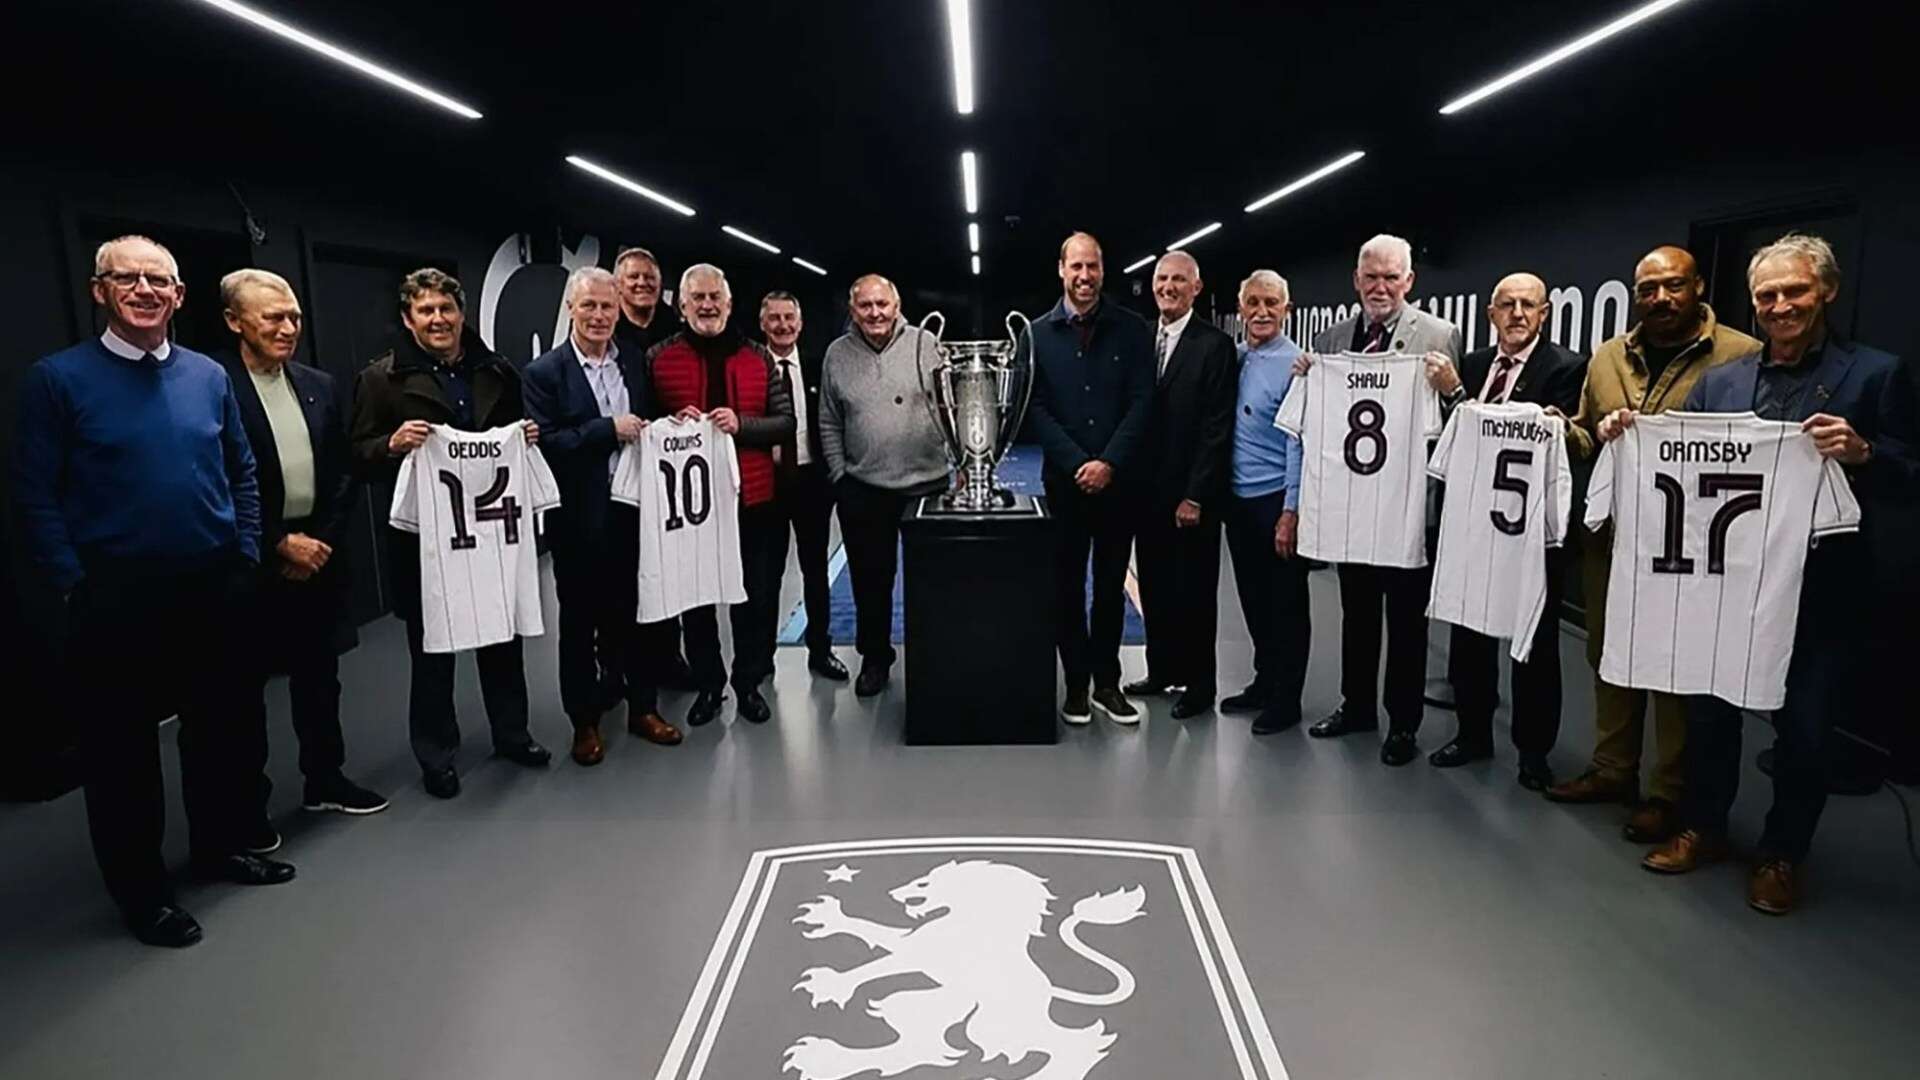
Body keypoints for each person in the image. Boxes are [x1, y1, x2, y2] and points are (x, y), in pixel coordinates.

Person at [13, 235, 291, 948]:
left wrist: (246, 554)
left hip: (211, 583)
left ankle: (218, 847)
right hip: (115, 595)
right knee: (121, 755)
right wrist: (74, 581)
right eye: (127, 278)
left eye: (159, 280)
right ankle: (142, 893)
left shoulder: (207, 376)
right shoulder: (57, 379)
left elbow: (242, 473)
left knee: (219, 732)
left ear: (179, 296)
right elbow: (35, 495)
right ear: (98, 289)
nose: (144, 290)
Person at [1637, 234, 1917, 914]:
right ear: (1753, 303)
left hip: (1821, 590)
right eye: (1767, 295)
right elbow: (1681, 454)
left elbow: (1911, 473)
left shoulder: (1876, 375)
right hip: (1727, 582)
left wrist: (1865, 451)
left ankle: (1782, 853)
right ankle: (1704, 827)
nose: (1781, 305)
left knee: (1807, 731)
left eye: (1795, 291)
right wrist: (1630, 434)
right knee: (1710, 718)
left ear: (1826, 290)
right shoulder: (1725, 380)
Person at [1545, 245, 1760, 842]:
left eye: (1674, 285)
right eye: (1648, 289)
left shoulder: (1742, 356)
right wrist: (1574, 431)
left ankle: (1670, 793)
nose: (1661, 298)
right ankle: (1613, 771)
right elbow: (1585, 435)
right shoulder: (1609, 355)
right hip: (1613, 540)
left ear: (1698, 287)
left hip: (1687, 551)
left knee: (1672, 671)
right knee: (1609, 657)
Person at [349, 267, 552, 799]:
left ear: (462, 313)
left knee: (502, 641)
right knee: (432, 651)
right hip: (428, 544)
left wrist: (525, 436)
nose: (438, 320)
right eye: (426, 311)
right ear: (407, 318)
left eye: (446, 309)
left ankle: (512, 733)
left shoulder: (498, 370)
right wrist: (389, 444)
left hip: (492, 534)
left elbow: (516, 439)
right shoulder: (381, 379)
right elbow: (357, 454)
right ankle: (436, 754)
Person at [215, 269, 387, 819]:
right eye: (273, 318)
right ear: (234, 321)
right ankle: (248, 807)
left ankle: (326, 779)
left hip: (317, 554)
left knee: (320, 679)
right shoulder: (212, 385)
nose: (289, 327)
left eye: (294, 316)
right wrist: (277, 544)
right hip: (250, 559)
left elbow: (341, 473)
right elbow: (212, 482)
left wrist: (315, 542)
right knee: (244, 694)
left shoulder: (318, 385)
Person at [1423, 273, 1587, 789]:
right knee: (1468, 632)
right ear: (1491, 313)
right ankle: (1472, 734)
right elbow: (1458, 434)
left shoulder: (1566, 369)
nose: (1517, 314)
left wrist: (1461, 395)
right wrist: (1458, 394)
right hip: (1473, 521)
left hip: (1530, 531)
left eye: (1528, 305)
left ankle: (1533, 752)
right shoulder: (1472, 364)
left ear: (1544, 314)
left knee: (1534, 643)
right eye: (1507, 305)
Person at [1305, 234, 1463, 766]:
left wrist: (1449, 385)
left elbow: (1456, 427)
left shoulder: (1440, 335)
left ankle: (1403, 723)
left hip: (1408, 510)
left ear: (1409, 282)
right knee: (1357, 613)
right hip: (1353, 505)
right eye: (1370, 277)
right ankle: (1356, 706)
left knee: (1407, 621)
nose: (1380, 287)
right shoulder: (1330, 343)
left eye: (1391, 278)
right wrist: (1307, 380)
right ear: (1355, 280)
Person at [523, 266, 683, 766]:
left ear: (619, 310)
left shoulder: (634, 360)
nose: (598, 315)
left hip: (634, 514)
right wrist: (605, 429)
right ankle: (585, 723)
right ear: (570, 308)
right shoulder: (544, 373)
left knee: (639, 615)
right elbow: (545, 444)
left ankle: (643, 708)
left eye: (606, 306)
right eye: (588, 306)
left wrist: (672, 427)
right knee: (578, 624)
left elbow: (647, 423)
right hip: (577, 522)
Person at [643, 264, 796, 726]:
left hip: (753, 499)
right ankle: (709, 686)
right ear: (682, 306)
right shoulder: (657, 358)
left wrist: (742, 425)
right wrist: (669, 424)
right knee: (697, 601)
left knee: (753, 596)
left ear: (729, 305)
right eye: (698, 298)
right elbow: (643, 424)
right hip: (688, 507)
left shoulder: (759, 357)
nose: (707, 305)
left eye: (715, 297)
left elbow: (786, 422)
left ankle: (747, 683)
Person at [1024, 232, 1154, 725]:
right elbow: (1033, 408)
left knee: (1108, 589)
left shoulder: (1132, 329)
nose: (1084, 276)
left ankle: (1107, 682)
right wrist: (1078, 462)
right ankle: (1075, 684)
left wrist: (1109, 464)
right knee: (1065, 588)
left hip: (1118, 487)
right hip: (1063, 486)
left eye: (1093, 267)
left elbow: (1143, 402)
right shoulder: (1035, 336)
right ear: (1061, 269)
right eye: (1076, 267)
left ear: (1103, 270)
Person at [817, 275, 949, 696]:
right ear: (852, 311)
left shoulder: (926, 343)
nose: (875, 313)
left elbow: (952, 403)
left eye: (882, 304)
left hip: (927, 486)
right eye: (865, 306)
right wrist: (840, 474)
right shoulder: (837, 355)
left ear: (897, 305)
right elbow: (828, 419)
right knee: (870, 583)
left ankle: (934, 656)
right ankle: (875, 660)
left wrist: (961, 459)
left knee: (932, 582)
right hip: (864, 488)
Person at [1123, 251, 1235, 719]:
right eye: (1161, 279)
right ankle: (1162, 669)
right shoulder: (1141, 338)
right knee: (1156, 586)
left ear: (1196, 286)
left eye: (1178, 280)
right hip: (1145, 495)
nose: (1168, 287)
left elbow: (1216, 427)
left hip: (1192, 497)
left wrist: (1196, 494)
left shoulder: (1214, 345)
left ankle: (1200, 684)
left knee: (1194, 593)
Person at [1222, 270, 1311, 735]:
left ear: (1286, 309)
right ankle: (1264, 680)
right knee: (1253, 600)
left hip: (1275, 500)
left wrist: (1290, 512)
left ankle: (1287, 698)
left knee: (1287, 605)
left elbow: (1298, 443)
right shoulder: (1235, 358)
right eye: (1252, 302)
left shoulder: (1298, 364)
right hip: (1237, 502)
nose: (1261, 312)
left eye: (1271, 303)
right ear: (1241, 309)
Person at [612, 245, 694, 688]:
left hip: (667, 471)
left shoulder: (675, 330)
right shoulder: (605, 329)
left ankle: (669, 657)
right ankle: (617, 667)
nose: (643, 284)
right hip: (617, 470)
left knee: (668, 567)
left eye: (650, 277)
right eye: (634, 278)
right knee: (620, 576)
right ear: (618, 284)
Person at [760, 290, 849, 684]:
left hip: (813, 481)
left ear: (800, 323)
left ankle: (820, 649)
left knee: (815, 571)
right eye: (775, 318)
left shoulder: (817, 367)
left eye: (789, 318)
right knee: (766, 575)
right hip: (767, 483)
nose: (782, 325)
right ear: (763, 324)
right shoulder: (752, 367)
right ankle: (760, 659)